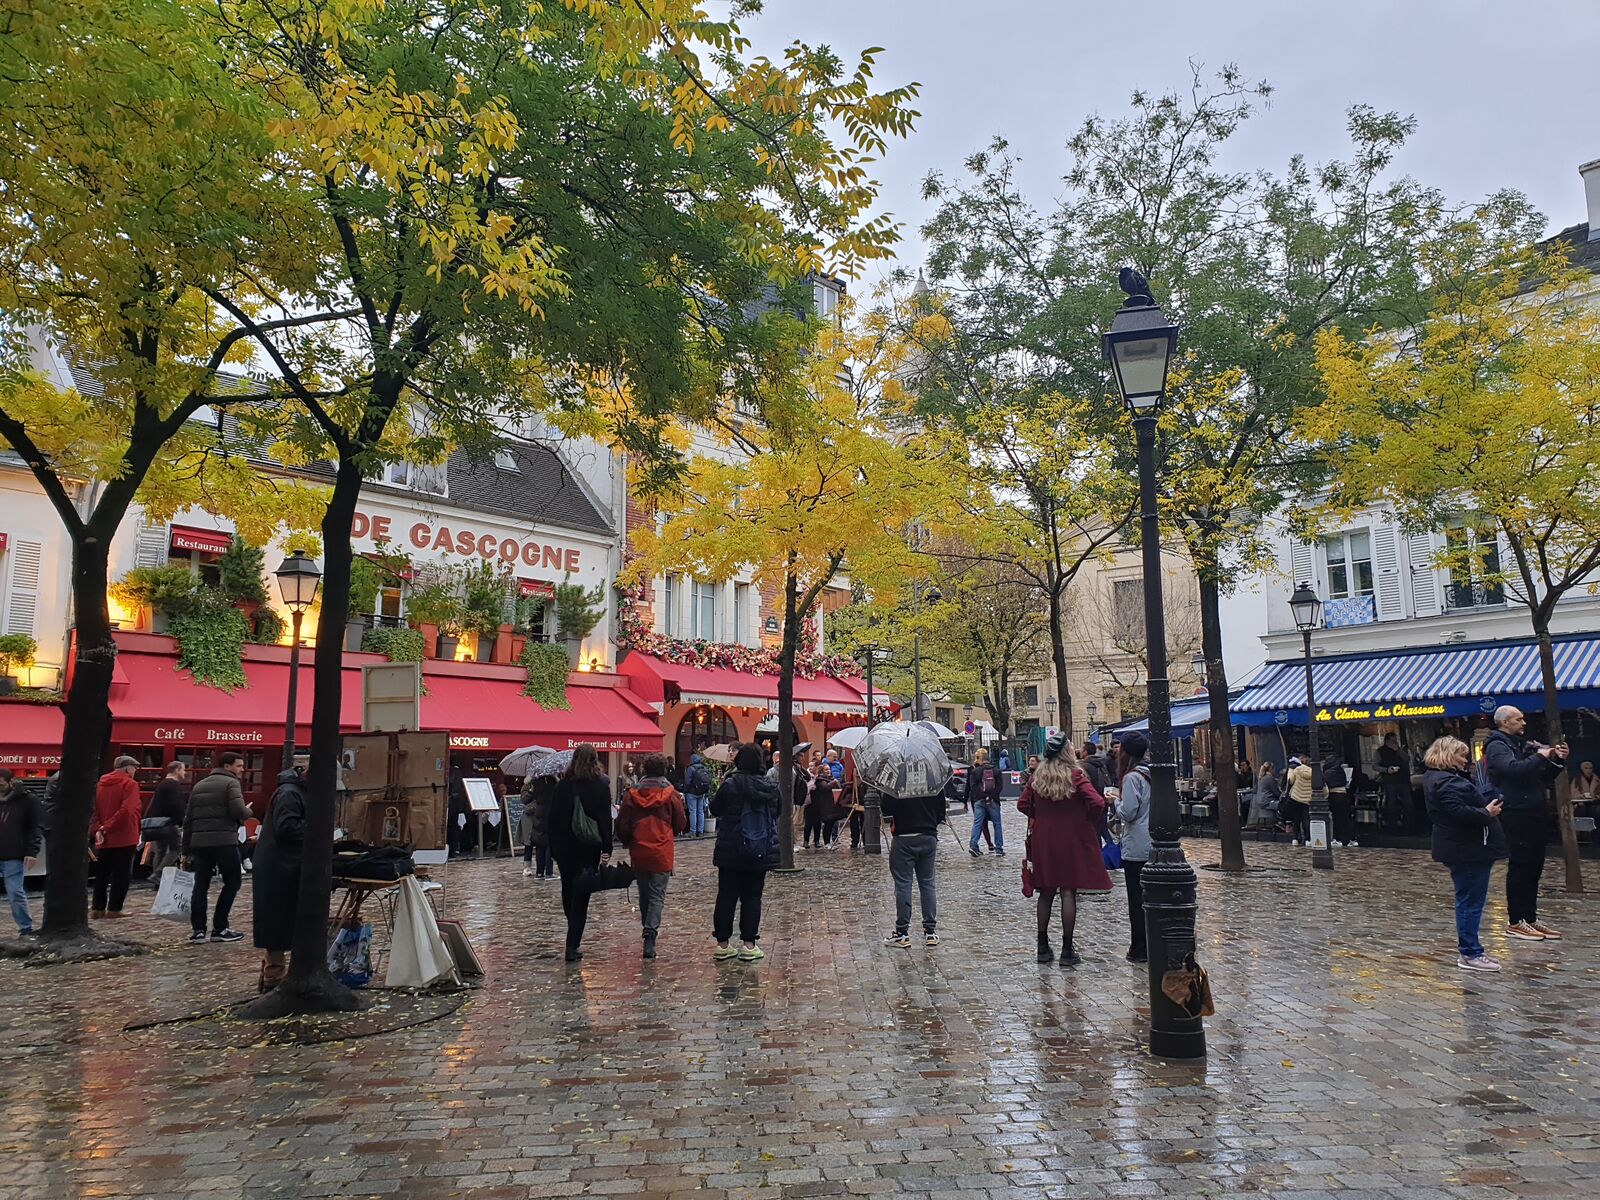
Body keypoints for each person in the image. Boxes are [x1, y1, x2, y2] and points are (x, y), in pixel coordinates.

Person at [1018, 733, 1110, 967]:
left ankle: (1042, 947)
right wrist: (1086, 819)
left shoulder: (1038, 776)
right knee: (1068, 891)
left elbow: (1023, 804)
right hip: (1071, 838)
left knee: (1046, 891)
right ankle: (1067, 950)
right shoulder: (1076, 775)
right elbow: (1098, 802)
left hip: (1044, 840)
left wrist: (1040, 816)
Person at [1423, 736, 1507, 972]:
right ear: (1448, 756)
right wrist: (1486, 812)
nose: (1465, 760)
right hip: (1467, 848)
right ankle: (1470, 952)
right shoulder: (1447, 782)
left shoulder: (1440, 779)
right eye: (1461, 755)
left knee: (1469, 898)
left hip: (1461, 846)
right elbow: (1457, 812)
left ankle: (1471, 950)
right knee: (1471, 900)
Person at [1483, 705, 1565, 941]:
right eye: (1519, 719)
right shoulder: (1497, 746)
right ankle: (1516, 920)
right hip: (1516, 811)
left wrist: (1557, 761)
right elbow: (1513, 771)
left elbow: (1539, 776)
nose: (1524, 723)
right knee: (1520, 865)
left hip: (1534, 809)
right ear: (1505, 722)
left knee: (1534, 865)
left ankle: (1530, 917)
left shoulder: (1522, 744)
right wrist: (1539, 756)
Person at [709, 743, 779, 962]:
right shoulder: (769, 786)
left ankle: (723, 945)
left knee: (726, 895)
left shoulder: (730, 784)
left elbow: (715, 809)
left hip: (731, 849)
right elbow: (777, 812)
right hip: (759, 849)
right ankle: (749, 945)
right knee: (752, 896)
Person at [616, 753, 688, 960]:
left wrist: (627, 839)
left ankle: (647, 927)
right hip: (662, 848)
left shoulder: (632, 794)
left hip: (639, 847)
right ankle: (650, 931)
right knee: (657, 894)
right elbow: (680, 822)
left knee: (644, 892)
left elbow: (623, 823)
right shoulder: (671, 793)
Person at [549, 744, 614, 962]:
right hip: (588, 847)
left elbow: (553, 819)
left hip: (564, 847)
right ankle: (572, 942)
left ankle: (573, 930)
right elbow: (605, 820)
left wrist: (553, 848)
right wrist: (607, 847)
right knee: (582, 894)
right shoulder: (600, 786)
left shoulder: (562, 786)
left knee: (568, 889)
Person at [181, 752, 250, 944]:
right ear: (227, 766)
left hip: (200, 843)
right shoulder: (231, 783)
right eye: (239, 766)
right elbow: (239, 810)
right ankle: (220, 927)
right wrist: (248, 811)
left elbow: (189, 819)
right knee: (233, 882)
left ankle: (198, 930)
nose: (242, 769)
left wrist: (186, 848)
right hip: (224, 841)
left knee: (200, 885)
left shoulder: (199, 785)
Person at [881, 778, 945, 949]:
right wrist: (928, 824)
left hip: (904, 837)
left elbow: (886, 809)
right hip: (928, 836)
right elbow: (941, 811)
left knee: (903, 884)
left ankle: (902, 933)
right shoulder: (933, 778)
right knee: (927, 883)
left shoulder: (898, 778)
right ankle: (930, 932)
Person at [1111, 733, 1151, 964]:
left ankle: (1140, 947)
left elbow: (1128, 812)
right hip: (1156, 842)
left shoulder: (1132, 777)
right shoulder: (1152, 773)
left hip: (1137, 844)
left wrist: (1115, 801)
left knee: (1136, 899)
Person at [90, 756, 144, 918]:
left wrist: (99, 829)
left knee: (102, 873)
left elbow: (94, 810)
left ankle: (97, 908)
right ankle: (114, 908)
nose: (135, 771)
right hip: (125, 834)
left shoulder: (100, 784)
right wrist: (107, 827)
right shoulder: (130, 784)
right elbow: (127, 810)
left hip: (104, 837)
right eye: (134, 768)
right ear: (128, 768)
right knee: (121, 874)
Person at [0, 769, 43, 937]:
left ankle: (25, 927)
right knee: (15, 892)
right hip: (10, 850)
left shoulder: (28, 800)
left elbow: (35, 827)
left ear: (11, 782)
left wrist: (31, 852)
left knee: (15, 893)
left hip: (13, 853)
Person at [141, 761, 189, 881]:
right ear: (177, 770)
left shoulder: (162, 784)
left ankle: (157, 881)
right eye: (183, 770)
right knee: (176, 849)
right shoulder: (174, 785)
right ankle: (158, 873)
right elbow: (176, 805)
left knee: (160, 851)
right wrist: (181, 820)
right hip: (168, 823)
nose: (184, 773)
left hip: (156, 823)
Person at [965, 748, 1005, 858]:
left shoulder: (976, 771)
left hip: (979, 800)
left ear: (981, 759)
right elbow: (1000, 786)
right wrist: (991, 797)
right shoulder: (996, 771)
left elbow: (973, 787)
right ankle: (999, 848)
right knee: (997, 824)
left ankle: (974, 845)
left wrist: (982, 796)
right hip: (993, 801)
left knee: (977, 823)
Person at [519, 774, 556, 879]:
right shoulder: (532, 785)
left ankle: (542, 872)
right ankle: (543, 872)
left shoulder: (549, 782)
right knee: (537, 843)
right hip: (536, 816)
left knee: (542, 843)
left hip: (541, 815)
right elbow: (524, 799)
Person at [1378, 733, 1412, 833]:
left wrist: (1398, 750)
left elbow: (1407, 759)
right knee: (1392, 804)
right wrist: (1386, 770)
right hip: (1390, 781)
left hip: (1403, 780)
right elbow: (1375, 765)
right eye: (1392, 741)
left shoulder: (1399, 750)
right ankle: (1392, 827)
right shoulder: (1380, 751)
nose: (1395, 742)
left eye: (1395, 740)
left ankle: (1408, 827)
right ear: (1387, 741)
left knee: (1408, 804)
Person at [1323, 752, 1354, 848]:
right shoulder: (1341, 771)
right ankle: (1349, 839)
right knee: (1345, 818)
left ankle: (1338, 839)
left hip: (1334, 795)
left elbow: (1326, 784)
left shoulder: (1328, 772)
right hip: (1343, 795)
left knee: (1337, 818)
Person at [1282, 756, 1313, 845]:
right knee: (1306, 819)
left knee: (1296, 819)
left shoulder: (1296, 770)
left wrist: (1290, 771)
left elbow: (1290, 781)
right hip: (1307, 798)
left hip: (1296, 797)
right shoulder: (1312, 771)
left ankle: (1295, 838)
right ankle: (1308, 839)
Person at [683, 752, 712, 839]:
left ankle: (693, 832)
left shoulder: (690, 769)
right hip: (701, 792)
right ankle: (701, 831)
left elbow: (687, 782)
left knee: (693, 812)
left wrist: (685, 791)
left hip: (692, 793)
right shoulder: (704, 768)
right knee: (701, 811)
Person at [1250, 761, 1280, 830]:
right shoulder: (1269, 778)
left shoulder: (1261, 777)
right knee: (1283, 805)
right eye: (1274, 769)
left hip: (1260, 802)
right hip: (1268, 802)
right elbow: (1276, 792)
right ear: (1271, 769)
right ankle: (1281, 822)